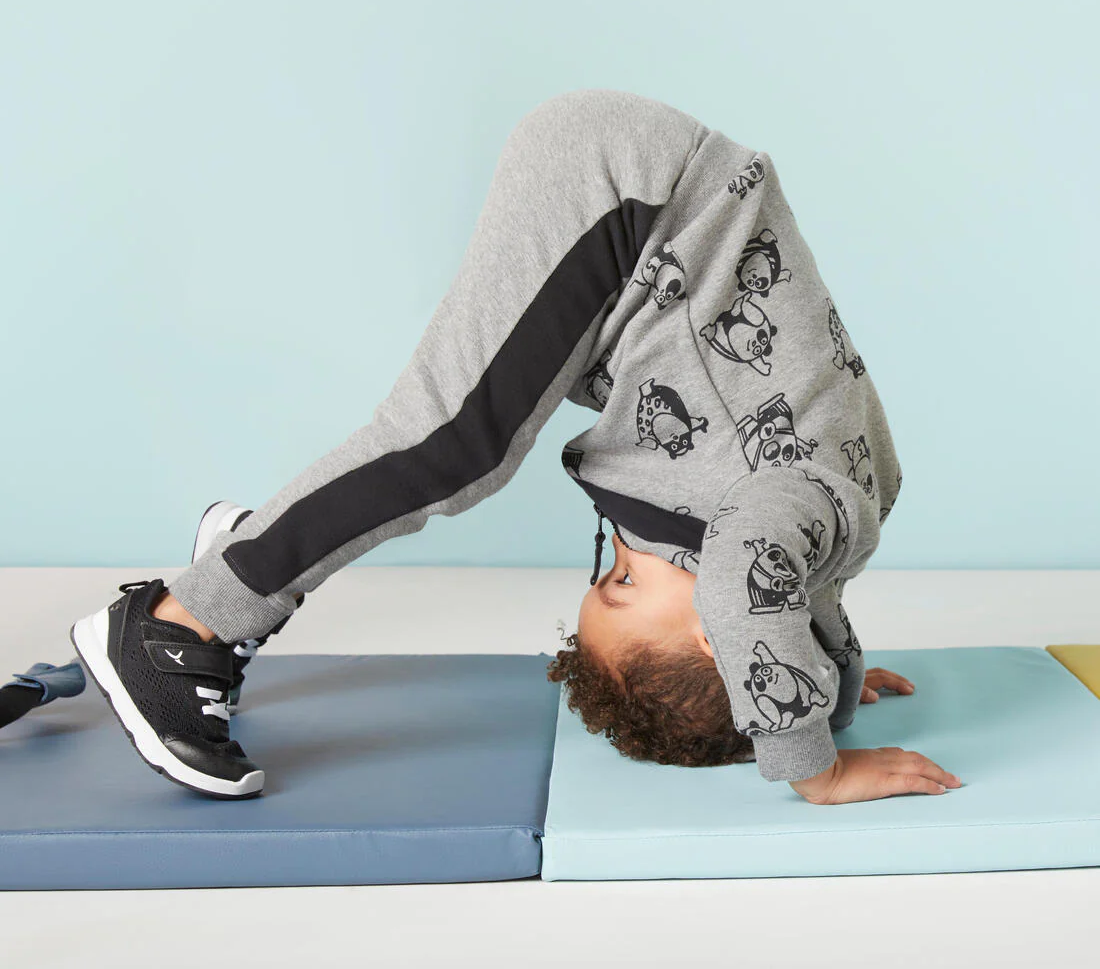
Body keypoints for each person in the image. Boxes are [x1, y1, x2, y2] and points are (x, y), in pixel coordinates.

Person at [71, 88, 962, 806]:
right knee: (455, 443)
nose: (618, 554)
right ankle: (176, 626)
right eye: (621, 585)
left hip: (644, 210)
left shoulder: (822, 531)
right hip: (636, 203)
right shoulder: (781, 517)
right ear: (726, 634)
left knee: (466, 443)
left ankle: (248, 550)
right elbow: (749, 588)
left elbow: (788, 599)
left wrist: (827, 682)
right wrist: (814, 760)